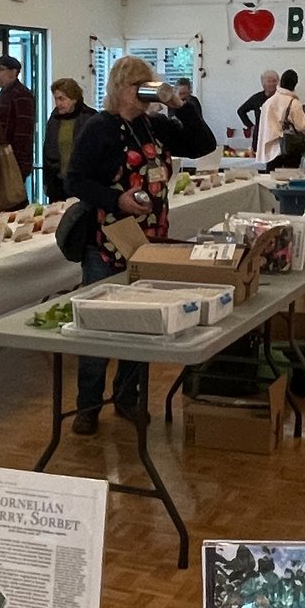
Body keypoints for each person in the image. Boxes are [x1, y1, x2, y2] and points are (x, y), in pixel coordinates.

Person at [65, 55, 216, 433]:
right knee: (97, 328)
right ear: (119, 88)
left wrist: (181, 105)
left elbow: (203, 144)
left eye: (148, 85)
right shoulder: (99, 128)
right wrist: (116, 199)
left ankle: (127, 397)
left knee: (142, 323)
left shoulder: (156, 125)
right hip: (108, 241)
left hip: (150, 241)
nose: (145, 93)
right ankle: (88, 406)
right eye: (138, 86)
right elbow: (76, 181)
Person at [42, 77, 97, 202]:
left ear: (74, 99)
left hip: (82, 182)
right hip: (58, 182)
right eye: (56, 99)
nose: (58, 103)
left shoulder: (90, 118)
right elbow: (47, 151)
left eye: (62, 99)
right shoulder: (54, 119)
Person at [0, 54, 37, 196]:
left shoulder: (22, 95)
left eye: (0, 69)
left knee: (13, 198)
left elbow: (23, 132)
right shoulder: (4, 95)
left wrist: (18, 164)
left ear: (14, 72)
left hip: (14, 160)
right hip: (3, 158)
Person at [255, 68, 305, 166]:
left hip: (270, 149)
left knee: (271, 178)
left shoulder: (268, 103)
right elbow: (301, 127)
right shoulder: (294, 103)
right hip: (289, 148)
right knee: (289, 177)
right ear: (295, 84)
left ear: (280, 82)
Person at [237, 68, 279, 143]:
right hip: (260, 138)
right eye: (269, 81)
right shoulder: (257, 98)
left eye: (274, 81)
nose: (272, 84)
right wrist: (251, 126)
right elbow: (241, 111)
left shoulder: (281, 98)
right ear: (263, 84)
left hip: (277, 138)